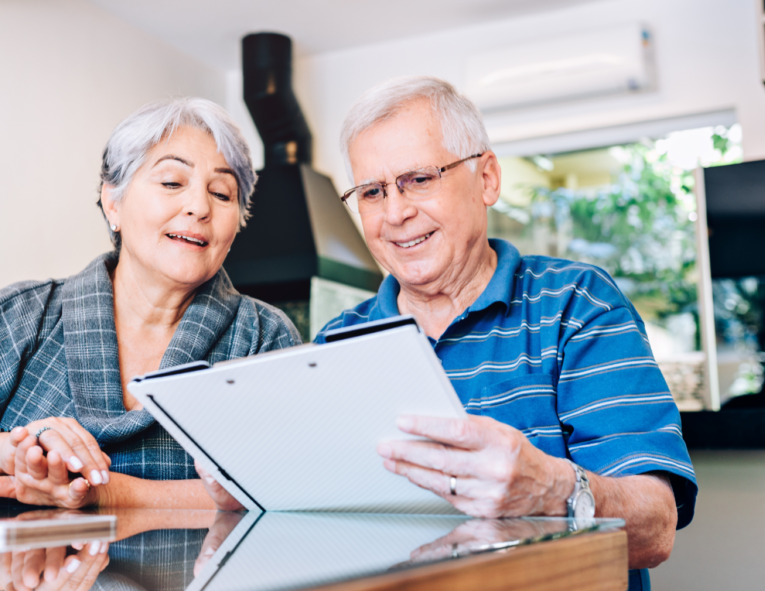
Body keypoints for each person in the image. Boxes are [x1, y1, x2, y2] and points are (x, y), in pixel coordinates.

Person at [199, 76, 697, 591]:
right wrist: (259, 502)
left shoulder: (577, 303)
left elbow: (655, 528)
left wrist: (553, 491)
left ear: (486, 179)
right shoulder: (337, 342)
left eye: (418, 179)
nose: (395, 213)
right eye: (371, 192)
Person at [0, 97, 301, 510]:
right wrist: (4, 451)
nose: (199, 206)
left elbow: (291, 490)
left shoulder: (264, 338)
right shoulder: (23, 318)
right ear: (113, 202)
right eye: (171, 181)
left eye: (222, 194)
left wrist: (106, 492)